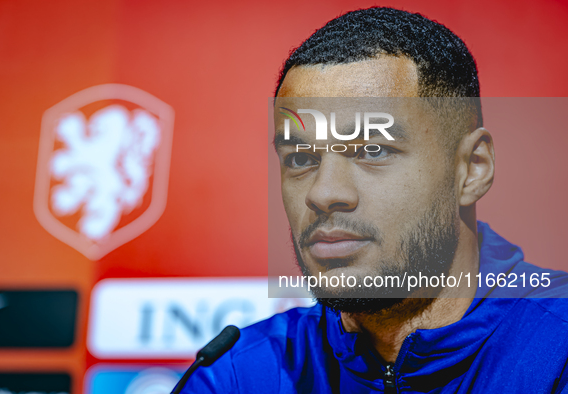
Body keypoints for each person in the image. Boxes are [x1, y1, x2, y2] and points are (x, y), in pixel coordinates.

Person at [179, 7, 568, 393]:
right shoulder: (239, 375)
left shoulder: (557, 349)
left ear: (472, 169)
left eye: (373, 150)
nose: (324, 193)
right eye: (301, 159)